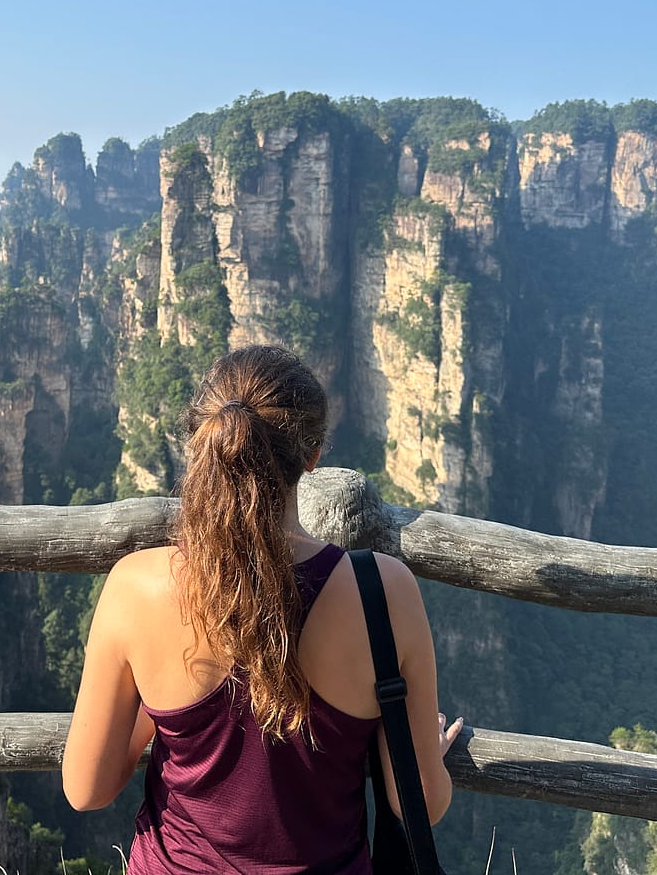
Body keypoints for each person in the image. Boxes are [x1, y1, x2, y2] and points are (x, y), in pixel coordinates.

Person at [63, 344, 462, 873]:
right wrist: (422, 750)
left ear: (201, 444)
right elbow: (421, 805)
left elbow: (86, 790)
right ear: (312, 457)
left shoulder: (136, 587)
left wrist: (163, 712)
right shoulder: (384, 592)